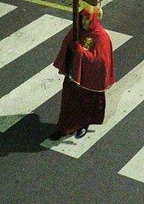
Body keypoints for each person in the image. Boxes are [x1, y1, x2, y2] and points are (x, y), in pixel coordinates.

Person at [48, 7, 115, 140]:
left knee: (85, 104)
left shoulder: (101, 36)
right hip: (74, 74)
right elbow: (68, 42)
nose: (84, 22)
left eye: (87, 19)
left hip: (88, 78)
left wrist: (81, 52)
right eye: (83, 18)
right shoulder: (78, 31)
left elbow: (101, 60)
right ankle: (63, 128)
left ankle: (83, 125)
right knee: (68, 102)